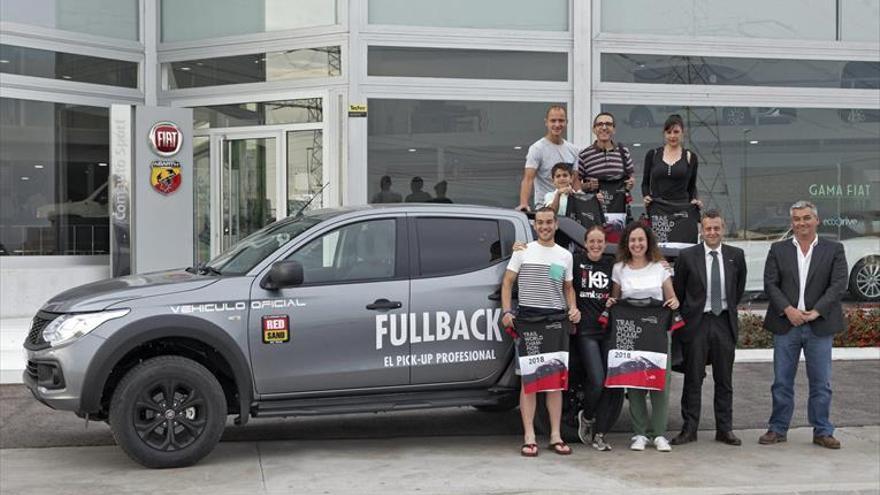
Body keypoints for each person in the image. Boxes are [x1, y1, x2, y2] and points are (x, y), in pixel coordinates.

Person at [759, 201, 848, 449]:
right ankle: (777, 429)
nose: (802, 223)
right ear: (792, 223)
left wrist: (816, 311)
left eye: (807, 218)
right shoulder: (778, 249)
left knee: (821, 383)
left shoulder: (834, 249)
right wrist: (788, 310)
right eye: (797, 219)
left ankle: (822, 430)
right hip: (786, 324)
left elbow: (838, 284)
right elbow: (770, 283)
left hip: (819, 325)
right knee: (781, 382)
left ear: (816, 220)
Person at [501, 207, 580, 457]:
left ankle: (555, 436)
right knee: (530, 383)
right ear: (535, 226)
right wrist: (506, 312)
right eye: (540, 223)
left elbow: (568, 288)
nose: (544, 226)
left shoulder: (565, 256)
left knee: (554, 384)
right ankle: (529, 437)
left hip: (556, 322)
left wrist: (574, 308)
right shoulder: (523, 250)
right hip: (528, 321)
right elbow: (507, 283)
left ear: (556, 225)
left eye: (549, 222)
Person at [670, 210, 747, 446]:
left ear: (723, 229)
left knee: (724, 380)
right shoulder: (687, 256)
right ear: (701, 231)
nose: (712, 232)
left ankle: (725, 429)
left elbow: (738, 289)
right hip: (697, 323)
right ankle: (689, 429)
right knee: (693, 379)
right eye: (708, 228)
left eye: (716, 228)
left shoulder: (736, 255)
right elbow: (679, 292)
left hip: (724, 321)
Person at [606, 221, 679, 452]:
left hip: (656, 334)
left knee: (659, 384)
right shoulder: (619, 269)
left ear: (648, 242)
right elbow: (616, 300)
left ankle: (658, 434)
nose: (637, 244)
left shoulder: (660, 267)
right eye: (633, 240)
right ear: (627, 243)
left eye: (641, 240)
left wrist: (675, 302)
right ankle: (639, 434)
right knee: (634, 382)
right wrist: (611, 303)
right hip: (630, 335)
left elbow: (672, 298)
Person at [573, 225, 624, 451]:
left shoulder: (611, 263)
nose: (595, 245)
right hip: (585, 331)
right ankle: (588, 416)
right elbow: (564, 284)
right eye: (591, 241)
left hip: (607, 330)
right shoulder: (575, 261)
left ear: (605, 244)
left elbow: (625, 280)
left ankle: (600, 433)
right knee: (596, 379)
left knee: (611, 382)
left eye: (599, 242)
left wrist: (662, 264)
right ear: (585, 243)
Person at [516, 105, 579, 211]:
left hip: (569, 209)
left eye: (561, 121)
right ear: (546, 122)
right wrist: (524, 204)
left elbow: (576, 181)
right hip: (545, 208)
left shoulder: (573, 150)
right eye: (553, 121)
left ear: (566, 122)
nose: (557, 124)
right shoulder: (537, 148)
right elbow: (528, 179)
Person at [641, 114, 702, 209]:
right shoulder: (653, 154)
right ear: (664, 134)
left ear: (683, 132)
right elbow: (645, 183)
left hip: (682, 208)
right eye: (669, 132)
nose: (672, 136)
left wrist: (694, 199)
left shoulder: (690, 156)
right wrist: (646, 196)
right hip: (658, 208)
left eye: (676, 132)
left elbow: (692, 186)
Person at [576, 112, 635, 200]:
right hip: (593, 210)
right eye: (600, 124)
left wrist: (630, 183)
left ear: (614, 129)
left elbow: (631, 178)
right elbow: (576, 185)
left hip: (619, 208)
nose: (604, 127)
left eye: (608, 124)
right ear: (594, 129)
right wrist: (588, 186)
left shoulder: (623, 152)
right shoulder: (584, 155)